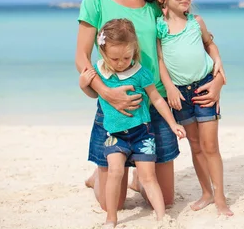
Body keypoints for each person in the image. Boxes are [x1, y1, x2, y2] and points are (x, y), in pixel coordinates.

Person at [75, 0, 226, 212]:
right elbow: (81, 57)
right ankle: (99, 175)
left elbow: (193, 40)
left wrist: (218, 78)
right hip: (114, 107)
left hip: (155, 106)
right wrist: (108, 94)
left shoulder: (154, 6)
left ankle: (138, 176)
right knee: (113, 204)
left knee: (165, 200)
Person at [79, 18, 186, 228]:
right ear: (103, 53)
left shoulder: (140, 73)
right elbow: (93, 94)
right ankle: (111, 218)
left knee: (149, 177)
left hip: (142, 134)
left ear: (134, 50)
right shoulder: (98, 71)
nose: (120, 63)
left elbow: (156, 99)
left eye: (126, 57)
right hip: (115, 135)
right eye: (115, 58)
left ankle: (161, 217)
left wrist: (173, 124)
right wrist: (84, 85)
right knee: (115, 172)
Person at [156, 0, 234, 216]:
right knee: (196, 146)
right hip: (180, 94)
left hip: (204, 87)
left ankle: (220, 197)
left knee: (211, 146)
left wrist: (218, 59)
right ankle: (206, 192)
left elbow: (209, 43)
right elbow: (159, 59)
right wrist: (168, 87)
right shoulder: (159, 27)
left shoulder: (196, 22)